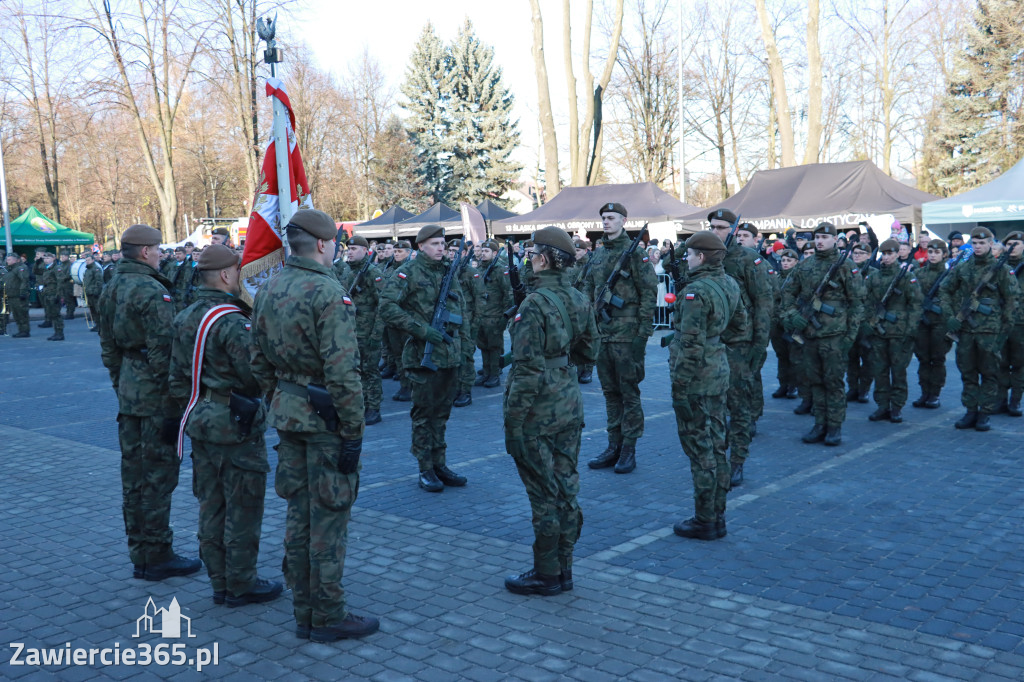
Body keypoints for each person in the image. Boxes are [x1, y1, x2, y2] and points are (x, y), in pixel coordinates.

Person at [250, 208, 378, 641]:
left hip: (289, 415)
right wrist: (353, 432)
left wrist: (282, 398)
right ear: (324, 244)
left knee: (298, 516)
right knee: (327, 518)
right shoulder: (329, 293)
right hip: (325, 421)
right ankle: (326, 614)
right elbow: (343, 373)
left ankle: (305, 609)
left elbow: (258, 361)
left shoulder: (268, 286)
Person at [167, 244, 282, 607]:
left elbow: (176, 377)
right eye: (239, 269)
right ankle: (241, 582)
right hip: (235, 425)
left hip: (201, 419)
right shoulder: (233, 321)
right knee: (243, 506)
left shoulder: (187, 315)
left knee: (211, 505)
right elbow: (253, 376)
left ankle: (220, 580)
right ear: (226, 275)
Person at [98, 224, 203, 582]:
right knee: (158, 477)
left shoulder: (111, 284)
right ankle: (157, 554)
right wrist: (179, 403)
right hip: (156, 399)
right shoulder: (151, 290)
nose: (161, 254)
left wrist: (122, 384)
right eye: (158, 249)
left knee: (134, 479)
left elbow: (109, 349)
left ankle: (141, 553)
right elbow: (165, 356)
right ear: (145, 252)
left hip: (130, 391)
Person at [503, 226, 599, 596]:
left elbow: (526, 370)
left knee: (544, 495)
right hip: (568, 401)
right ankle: (565, 568)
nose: (528, 261)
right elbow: (590, 352)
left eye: (531, 255)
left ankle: (547, 573)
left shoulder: (534, 304)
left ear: (542, 259)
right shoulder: (578, 297)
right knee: (565, 488)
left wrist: (513, 423)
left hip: (537, 410)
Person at [380, 224, 470, 493]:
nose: (440, 248)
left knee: (442, 414)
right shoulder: (407, 273)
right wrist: (421, 330)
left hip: (449, 354)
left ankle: (440, 463)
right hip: (422, 356)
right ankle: (425, 468)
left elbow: (461, 311)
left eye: (442, 244)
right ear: (420, 246)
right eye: (434, 244)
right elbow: (386, 307)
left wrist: (464, 350)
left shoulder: (448, 272)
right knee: (424, 414)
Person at [668, 231, 744, 541]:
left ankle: (705, 519)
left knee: (701, 451)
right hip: (718, 371)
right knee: (716, 444)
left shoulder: (696, 292)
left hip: (696, 379)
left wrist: (679, 386)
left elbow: (690, 346)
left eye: (689, 254)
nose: (686, 259)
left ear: (701, 257)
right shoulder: (730, 283)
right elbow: (741, 328)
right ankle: (718, 514)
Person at [586, 203, 658, 474]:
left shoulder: (636, 256)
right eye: (603, 218)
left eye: (611, 218)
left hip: (628, 337)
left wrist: (643, 334)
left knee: (629, 394)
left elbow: (649, 294)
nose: (606, 222)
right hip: (603, 335)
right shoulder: (598, 254)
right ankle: (612, 445)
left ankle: (629, 448)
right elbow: (589, 290)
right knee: (610, 394)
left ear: (624, 221)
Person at [780, 222, 865, 446]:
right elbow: (787, 293)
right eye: (817, 237)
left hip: (835, 336)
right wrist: (791, 315)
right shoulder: (804, 266)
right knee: (815, 381)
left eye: (825, 238)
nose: (820, 241)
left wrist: (850, 336)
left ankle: (834, 426)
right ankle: (819, 423)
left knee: (834, 382)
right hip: (809, 335)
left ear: (835, 240)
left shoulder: (846, 266)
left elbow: (857, 304)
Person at [708, 216, 772, 487]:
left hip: (739, 343)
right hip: (712, 342)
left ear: (734, 230)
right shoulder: (707, 256)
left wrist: (760, 343)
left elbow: (764, 302)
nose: (714, 232)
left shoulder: (748, 259)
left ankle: (737, 462)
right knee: (713, 405)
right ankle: (717, 457)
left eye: (720, 228)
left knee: (739, 405)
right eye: (711, 227)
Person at [940, 227, 1020, 431]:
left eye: (982, 243)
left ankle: (985, 413)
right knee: (968, 372)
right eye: (974, 243)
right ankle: (971, 411)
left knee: (990, 373)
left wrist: (1004, 330)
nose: (978, 246)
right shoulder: (963, 268)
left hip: (990, 331)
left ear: (991, 244)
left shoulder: (1002, 269)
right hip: (966, 329)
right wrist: (950, 316)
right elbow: (945, 289)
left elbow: (1012, 300)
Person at [863, 239, 923, 423]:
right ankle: (882, 405)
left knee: (898, 371)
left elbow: (916, 304)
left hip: (899, 332)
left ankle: (896, 406)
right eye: (884, 254)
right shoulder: (874, 277)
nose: (887, 257)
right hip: (878, 332)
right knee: (879, 370)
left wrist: (911, 330)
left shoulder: (906, 277)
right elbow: (866, 301)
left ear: (897, 254)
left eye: (890, 254)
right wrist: (868, 322)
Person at [344, 236, 385, 426]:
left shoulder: (372, 273)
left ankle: (374, 407)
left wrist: (376, 335)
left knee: (370, 371)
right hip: (352, 331)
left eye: (353, 248)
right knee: (356, 371)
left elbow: (383, 306)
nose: (349, 252)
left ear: (364, 250)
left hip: (368, 332)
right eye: (348, 249)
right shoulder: (348, 272)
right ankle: (361, 404)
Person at [912, 238, 953, 409]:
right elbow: (913, 297)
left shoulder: (950, 275)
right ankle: (924, 392)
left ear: (944, 254)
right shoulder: (919, 274)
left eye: (937, 252)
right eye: (930, 252)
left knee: (937, 358)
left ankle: (935, 394)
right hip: (922, 321)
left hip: (940, 323)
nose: (933, 255)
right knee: (923, 358)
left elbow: (954, 298)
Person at [475, 239, 513, 388]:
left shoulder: (499, 270)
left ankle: (494, 374)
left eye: (486, 251)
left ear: (495, 253)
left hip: (494, 315)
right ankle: (486, 372)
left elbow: (507, 293)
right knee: (483, 346)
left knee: (494, 347)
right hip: (481, 314)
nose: (483, 254)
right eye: (482, 251)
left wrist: (505, 315)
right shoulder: (480, 268)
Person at [382, 240, 413, 401]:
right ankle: (404, 385)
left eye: (400, 252)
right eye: (395, 251)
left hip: (407, 320)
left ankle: (412, 386)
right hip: (392, 320)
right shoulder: (389, 269)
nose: (396, 254)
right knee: (397, 355)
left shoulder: (412, 270)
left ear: (408, 253)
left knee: (409, 356)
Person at [452, 240, 480, 408]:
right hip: (452, 322)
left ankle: (465, 391)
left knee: (466, 357)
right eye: (450, 250)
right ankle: (455, 388)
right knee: (454, 357)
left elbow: (479, 300)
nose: (451, 254)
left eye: (456, 251)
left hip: (468, 322)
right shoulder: (448, 271)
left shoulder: (471, 273)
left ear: (463, 253)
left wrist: (475, 326)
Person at [769, 249, 801, 400]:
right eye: (783, 261)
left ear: (796, 262)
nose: (786, 263)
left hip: (791, 322)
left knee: (794, 356)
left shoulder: (799, 279)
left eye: (789, 261)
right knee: (781, 355)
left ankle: (793, 385)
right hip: (776, 323)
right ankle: (783, 384)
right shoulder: (776, 279)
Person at [999, 232, 1024, 416]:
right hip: (999, 322)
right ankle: (999, 400)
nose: (1013, 246)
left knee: (1019, 363)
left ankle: (1015, 401)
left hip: (1021, 323)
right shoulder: (999, 267)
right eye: (1009, 243)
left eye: (1017, 243)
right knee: (1000, 362)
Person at [846, 243, 874, 403]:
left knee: (868, 359)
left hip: (866, 322)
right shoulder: (847, 271)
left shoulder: (874, 274)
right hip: (850, 321)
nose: (857, 255)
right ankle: (853, 388)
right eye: (855, 253)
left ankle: (864, 389)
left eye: (861, 253)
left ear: (869, 255)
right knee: (851, 358)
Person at [38, 252, 65, 341]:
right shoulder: (46, 268)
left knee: (56, 314)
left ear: (53, 258)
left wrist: (58, 295)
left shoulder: (57, 268)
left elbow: (60, 282)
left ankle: (60, 333)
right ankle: (56, 332)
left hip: (54, 294)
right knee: (51, 314)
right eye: (45, 258)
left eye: (48, 258)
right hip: (48, 294)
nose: (46, 260)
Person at [4, 252, 31, 337]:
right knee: (16, 314)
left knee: (22, 314)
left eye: (9, 259)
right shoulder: (9, 269)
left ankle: (25, 331)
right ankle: (21, 330)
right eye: (7, 259)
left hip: (19, 296)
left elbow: (24, 280)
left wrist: (23, 293)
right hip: (11, 295)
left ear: (16, 260)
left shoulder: (20, 268)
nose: (7, 261)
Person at [82, 253, 104, 332]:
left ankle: (101, 325)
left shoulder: (96, 269)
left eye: (88, 260)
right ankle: (97, 324)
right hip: (89, 292)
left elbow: (99, 281)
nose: (87, 262)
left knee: (97, 310)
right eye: (86, 260)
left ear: (93, 260)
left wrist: (96, 291)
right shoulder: (87, 269)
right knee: (92, 310)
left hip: (94, 293)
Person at [57, 250, 76, 320]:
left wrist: (60, 278)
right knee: (64, 299)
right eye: (61, 256)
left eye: (63, 256)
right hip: (62, 285)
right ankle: (68, 312)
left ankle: (70, 313)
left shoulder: (69, 264)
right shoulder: (61, 264)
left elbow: (68, 275)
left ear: (67, 257)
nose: (62, 258)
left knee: (69, 299)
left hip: (68, 284)